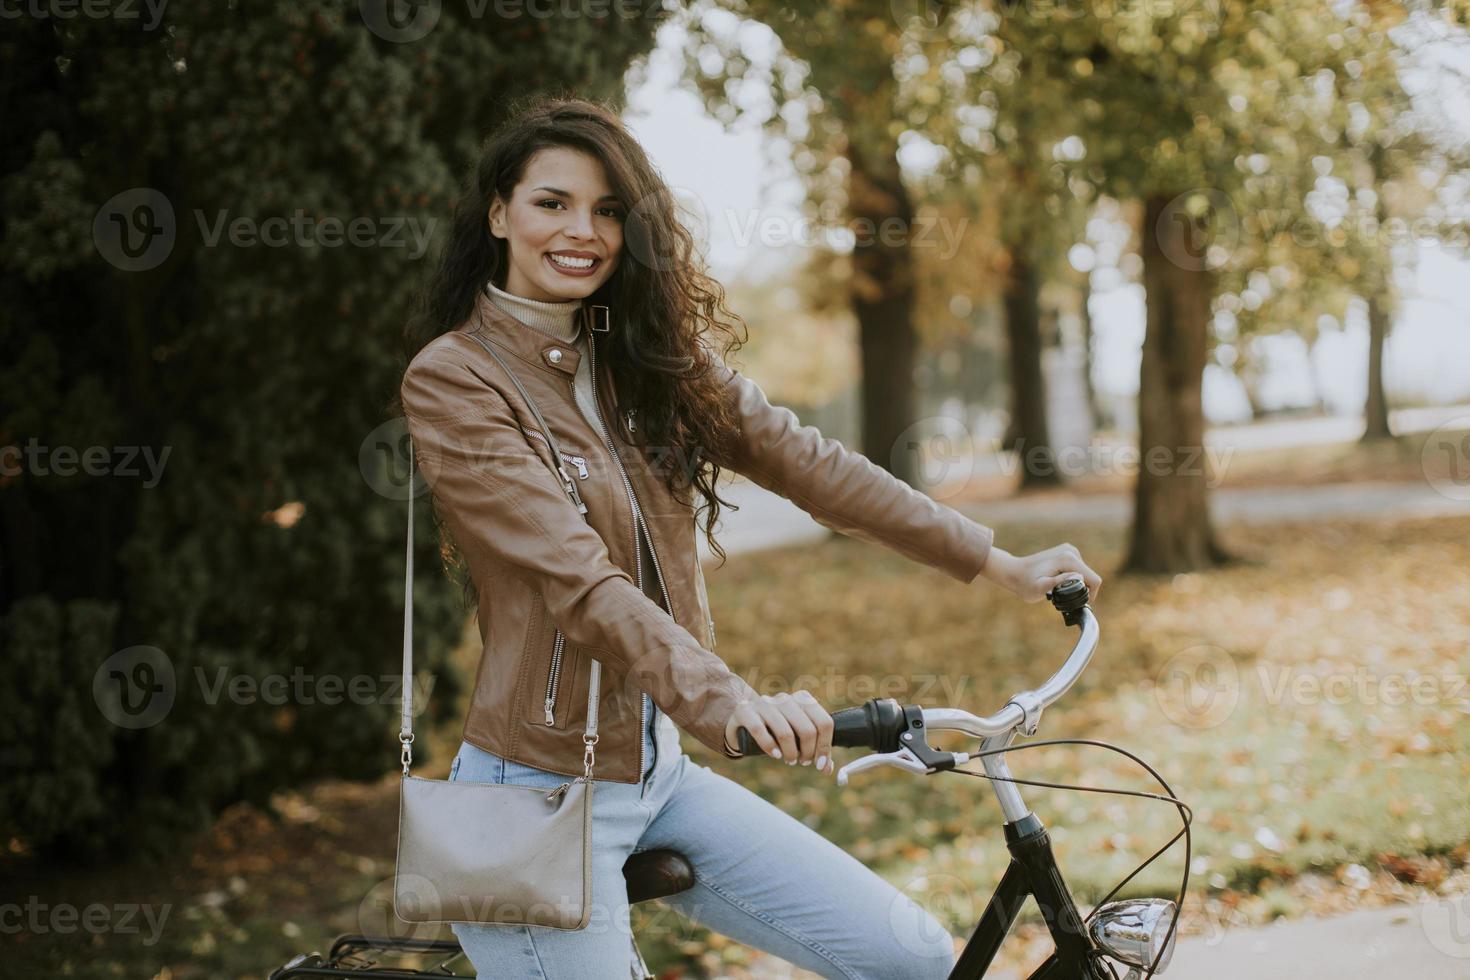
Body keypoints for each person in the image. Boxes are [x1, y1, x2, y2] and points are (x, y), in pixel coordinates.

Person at [394, 95, 1102, 980]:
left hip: (657, 775)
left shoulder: (643, 360)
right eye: (552, 203)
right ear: (499, 214)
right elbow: (577, 580)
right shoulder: (455, 381)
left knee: (910, 956)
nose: (584, 230)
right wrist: (729, 701)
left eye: (609, 210)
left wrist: (998, 562)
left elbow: (809, 464)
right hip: (531, 799)